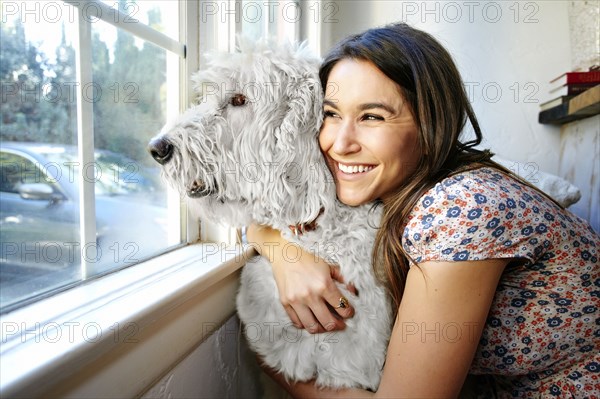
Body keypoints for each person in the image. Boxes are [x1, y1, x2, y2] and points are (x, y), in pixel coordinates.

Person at [247, 22, 600, 398]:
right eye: (332, 114)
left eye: (372, 117)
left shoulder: (461, 208)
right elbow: (256, 210)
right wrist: (284, 255)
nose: (340, 142)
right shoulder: (376, 187)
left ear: (430, 124)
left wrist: (276, 362)